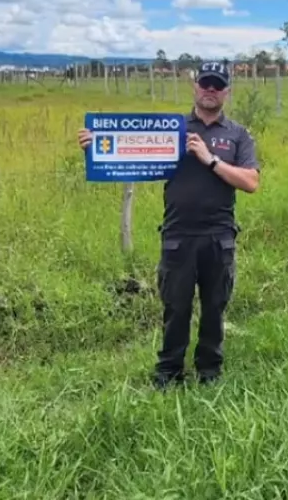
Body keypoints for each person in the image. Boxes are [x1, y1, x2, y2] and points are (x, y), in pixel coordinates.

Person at [77, 60, 260, 388]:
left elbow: (250, 182)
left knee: (214, 308)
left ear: (227, 92)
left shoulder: (237, 135)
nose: (210, 90)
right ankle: (168, 374)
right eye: (205, 83)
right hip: (177, 236)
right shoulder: (171, 129)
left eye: (217, 85)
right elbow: (130, 151)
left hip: (219, 237)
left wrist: (211, 159)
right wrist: (97, 147)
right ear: (195, 87)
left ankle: (209, 373)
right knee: (175, 309)